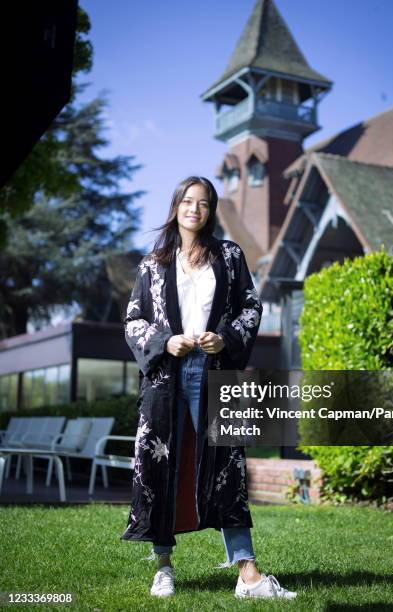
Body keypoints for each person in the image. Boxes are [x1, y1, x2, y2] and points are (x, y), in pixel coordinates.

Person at [121, 176, 297, 599]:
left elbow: (251, 306)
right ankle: (163, 565)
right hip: (165, 377)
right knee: (160, 465)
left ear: (210, 210)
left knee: (228, 466)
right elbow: (132, 321)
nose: (194, 209)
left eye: (203, 203)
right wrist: (165, 340)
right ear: (176, 205)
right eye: (187, 201)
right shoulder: (153, 264)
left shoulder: (229, 256)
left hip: (216, 371)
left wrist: (226, 337)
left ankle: (248, 575)